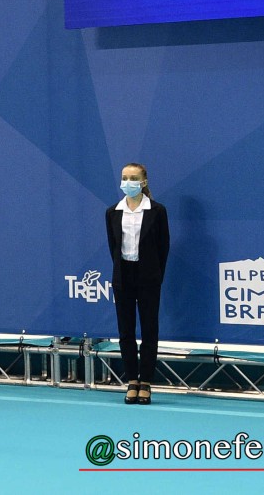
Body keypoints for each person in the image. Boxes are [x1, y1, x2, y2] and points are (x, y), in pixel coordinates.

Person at [105, 162, 169, 404]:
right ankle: (132, 380)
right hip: (123, 275)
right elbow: (113, 247)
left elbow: (164, 247)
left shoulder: (157, 211)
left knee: (149, 330)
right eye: (125, 178)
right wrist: (121, 271)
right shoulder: (112, 212)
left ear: (143, 182)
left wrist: (155, 276)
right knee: (126, 331)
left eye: (133, 178)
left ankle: (146, 382)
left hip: (149, 276)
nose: (128, 182)